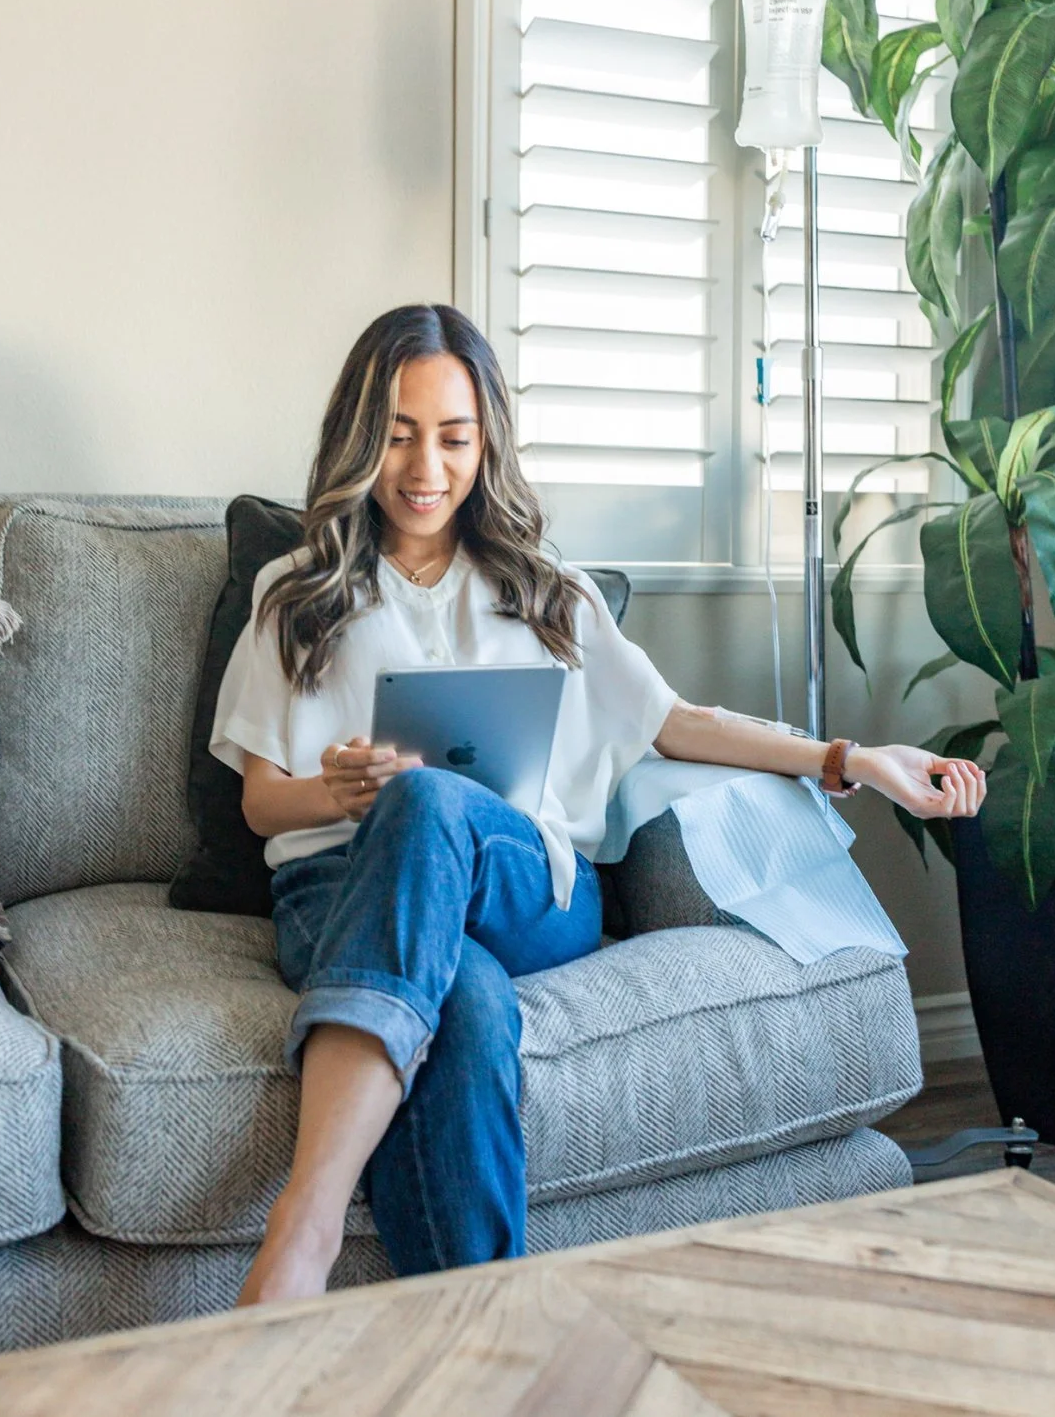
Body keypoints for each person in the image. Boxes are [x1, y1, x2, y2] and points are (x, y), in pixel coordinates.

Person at [210, 302, 986, 1306]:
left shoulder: (548, 592)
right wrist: (336, 789)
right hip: (339, 889)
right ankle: (481, 1322)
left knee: (431, 798)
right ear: (360, 438)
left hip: (529, 888)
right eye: (399, 435)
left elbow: (678, 723)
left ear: (487, 444)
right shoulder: (297, 592)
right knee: (468, 1004)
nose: (425, 467)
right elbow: (262, 806)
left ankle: (301, 1234)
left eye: (454, 437)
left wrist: (850, 757)